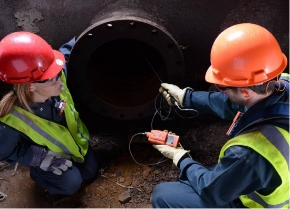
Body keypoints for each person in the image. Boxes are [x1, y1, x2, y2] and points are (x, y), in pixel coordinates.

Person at [151, 23, 289, 208]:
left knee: (164, 195)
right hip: (272, 177)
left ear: (246, 91)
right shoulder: (280, 82)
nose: (220, 90)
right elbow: (232, 103)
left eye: (222, 87)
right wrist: (187, 98)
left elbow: (211, 189)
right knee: (194, 179)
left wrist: (182, 158)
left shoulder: (251, 153)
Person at [0, 32, 100, 195]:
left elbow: (68, 52)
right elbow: (2, 152)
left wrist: (90, 34)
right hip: (50, 159)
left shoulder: (56, 84)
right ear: (30, 86)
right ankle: (40, 176)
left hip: (76, 147)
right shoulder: (11, 119)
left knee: (90, 171)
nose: (60, 80)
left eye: (58, 73)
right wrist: (36, 157)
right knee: (71, 183)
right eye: (52, 78)